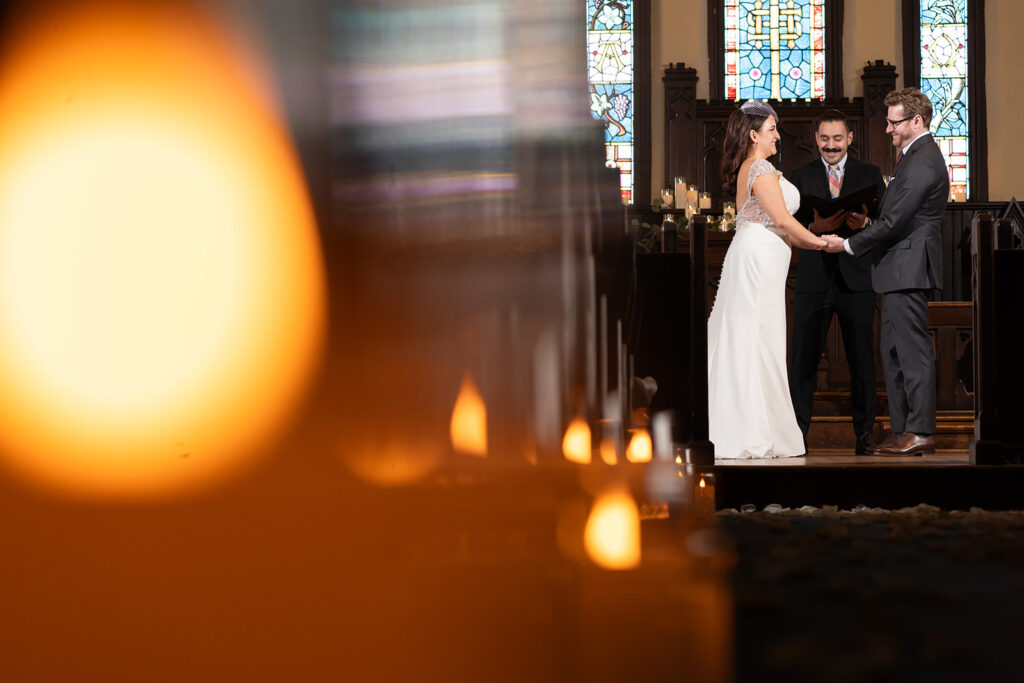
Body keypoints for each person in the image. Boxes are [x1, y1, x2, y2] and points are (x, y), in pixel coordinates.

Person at [822, 87, 949, 456]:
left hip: (910, 267)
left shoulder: (924, 158)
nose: (888, 130)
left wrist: (847, 244)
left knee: (912, 354)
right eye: (887, 122)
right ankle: (901, 430)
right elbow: (894, 217)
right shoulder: (912, 156)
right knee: (893, 352)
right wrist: (868, 222)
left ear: (916, 121)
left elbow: (896, 221)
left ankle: (921, 431)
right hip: (897, 267)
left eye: (894, 123)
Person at [708, 99, 830, 459]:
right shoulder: (760, 166)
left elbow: (777, 222)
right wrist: (823, 244)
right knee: (756, 339)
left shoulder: (752, 166)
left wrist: (816, 234)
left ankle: (752, 425)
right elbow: (781, 219)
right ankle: (754, 431)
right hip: (758, 261)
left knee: (756, 338)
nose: (778, 135)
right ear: (753, 134)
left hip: (759, 254)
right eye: (772, 129)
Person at [788, 110, 887, 455]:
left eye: (838, 139)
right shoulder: (798, 177)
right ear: (816, 139)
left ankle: (865, 435)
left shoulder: (869, 174)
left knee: (862, 359)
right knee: (803, 360)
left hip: (856, 277)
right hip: (814, 278)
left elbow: (885, 220)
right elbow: (789, 223)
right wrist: (813, 228)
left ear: (850, 138)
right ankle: (796, 434)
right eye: (825, 139)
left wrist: (865, 223)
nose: (831, 146)